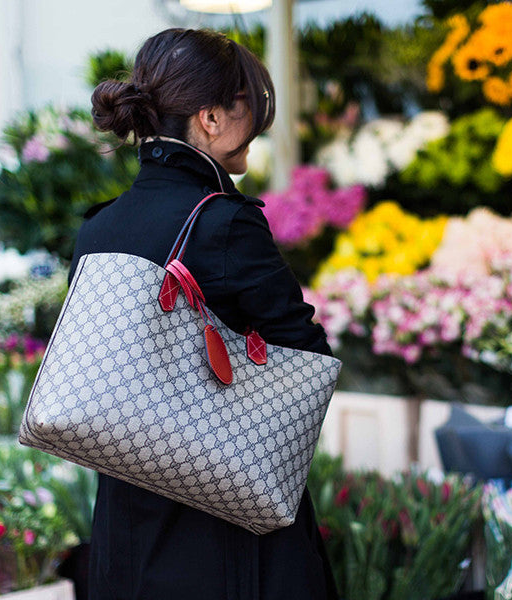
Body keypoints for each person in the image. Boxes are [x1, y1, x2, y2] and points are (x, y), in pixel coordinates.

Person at [68, 28, 339, 600]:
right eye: (248, 107)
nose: (257, 126)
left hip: (124, 536)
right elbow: (306, 362)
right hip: (222, 530)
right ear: (211, 118)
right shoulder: (225, 222)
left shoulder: (98, 227)